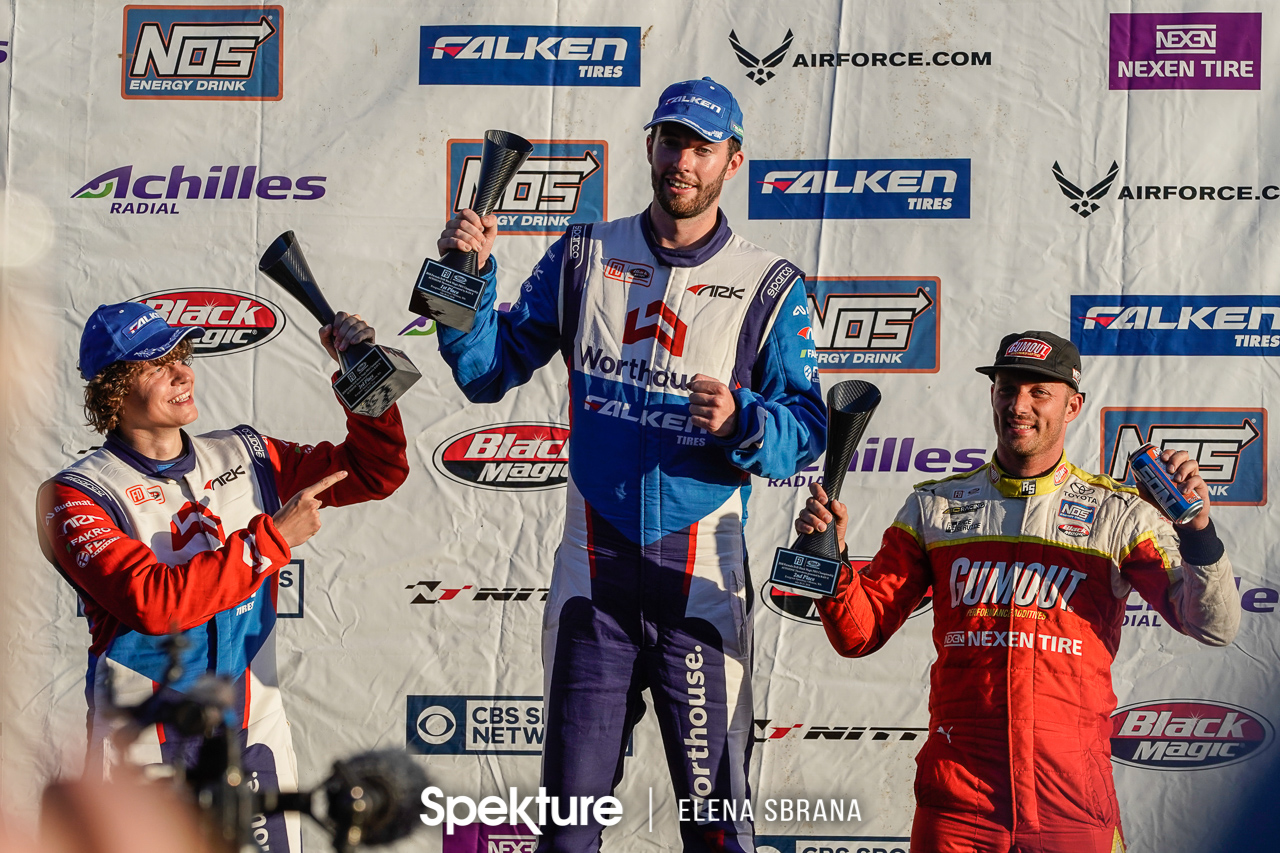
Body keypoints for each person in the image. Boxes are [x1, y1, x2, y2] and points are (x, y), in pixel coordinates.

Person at [436, 77, 826, 852]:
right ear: (649, 144)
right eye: (672, 141)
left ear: (733, 161)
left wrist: (745, 419)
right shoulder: (585, 253)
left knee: (717, 833)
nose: (684, 161)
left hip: (701, 592)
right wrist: (468, 281)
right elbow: (486, 370)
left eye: (702, 148)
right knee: (568, 834)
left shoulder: (769, 284)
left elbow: (808, 429)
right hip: (595, 585)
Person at [796, 331, 1240, 853]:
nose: (1018, 405)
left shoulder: (1118, 514)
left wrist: (1197, 530)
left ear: (1073, 405)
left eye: (1038, 392)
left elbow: (1213, 626)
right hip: (959, 803)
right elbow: (859, 633)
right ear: (992, 396)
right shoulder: (935, 508)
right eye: (1007, 389)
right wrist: (830, 559)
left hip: (1072, 800)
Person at [36, 301, 410, 853]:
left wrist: (363, 377)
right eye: (156, 364)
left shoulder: (245, 452)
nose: (183, 372)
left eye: (182, 356)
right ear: (113, 391)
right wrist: (272, 540)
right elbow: (153, 604)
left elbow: (376, 470)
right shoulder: (75, 494)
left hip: (252, 733)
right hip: (143, 744)